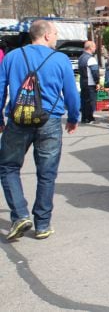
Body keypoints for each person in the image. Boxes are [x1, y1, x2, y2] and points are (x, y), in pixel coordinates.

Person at [0, 20, 79, 240]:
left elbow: (0, 89)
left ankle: (20, 214)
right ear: (45, 36)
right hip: (50, 122)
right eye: (55, 33)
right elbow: (71, 93)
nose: (56, 37)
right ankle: (42, 224)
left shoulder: (12, 57)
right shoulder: (60, 59)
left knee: (7, 166)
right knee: (47, 173)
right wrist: (73, 117)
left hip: (18, 120)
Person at [77, 41, 100, 124]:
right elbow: (94, 72)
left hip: (83, 82)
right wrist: (97, 82)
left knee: (84, 100)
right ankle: (89, 118)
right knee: (90, 101)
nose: (95, 49)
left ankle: (84, 117)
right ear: (90, 48)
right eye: (94, 47)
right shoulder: (91, 58)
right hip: (90, 82)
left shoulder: (81, 57)